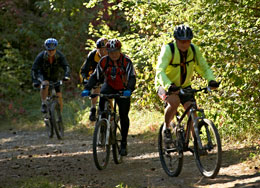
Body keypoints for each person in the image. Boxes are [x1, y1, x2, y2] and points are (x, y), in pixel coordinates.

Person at [155, 25, 219, 143]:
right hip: (165, 84)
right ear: (176, 40)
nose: (185, 44)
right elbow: (160, 71)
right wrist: (169, 85)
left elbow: (204, 68)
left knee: (192, 112)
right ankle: (166, 127)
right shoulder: (168, 50)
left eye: (188, 41)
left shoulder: (194, 50)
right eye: (182, 41)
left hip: (184, 85)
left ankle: (197, 144)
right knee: (174, 102)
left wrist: (211, 80)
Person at [82, 39, 136, 156]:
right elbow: (95, 76)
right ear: (108, 51)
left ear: (120, 51)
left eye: (116, 52)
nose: (113, 55)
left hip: (123, 88)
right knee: (102, 102)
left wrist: (129, 90)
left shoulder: (126, 61)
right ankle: (102, 126)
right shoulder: (104, 61)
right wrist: (87, 88)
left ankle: (124, 142)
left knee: (123, 115)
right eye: (111, 52)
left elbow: (132, 77)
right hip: (109, 86)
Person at [31, 38, 70, 114]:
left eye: (53, 50)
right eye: (49, 50)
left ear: (55, 49)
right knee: (45, 84)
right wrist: (35, 81)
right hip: (43, 75)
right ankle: (44, 103)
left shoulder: (59, 55)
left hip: (55, 76)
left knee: (59, 95)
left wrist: (66, 75)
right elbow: (34, 69)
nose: (51, 52)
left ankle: (59, 117)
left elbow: (66, 66)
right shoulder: (41, 56)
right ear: (46, 49)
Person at [80, 38, 108, 121]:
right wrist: (85, 80)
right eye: (101, 50)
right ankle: (93, 109)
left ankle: (113, 111)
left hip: (109, 76)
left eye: (105, 50)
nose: (103, 52)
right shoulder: (92, 55)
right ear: (97, 49)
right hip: (96, 76)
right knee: (95, 87)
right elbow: (84, 70)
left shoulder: (112, 55)